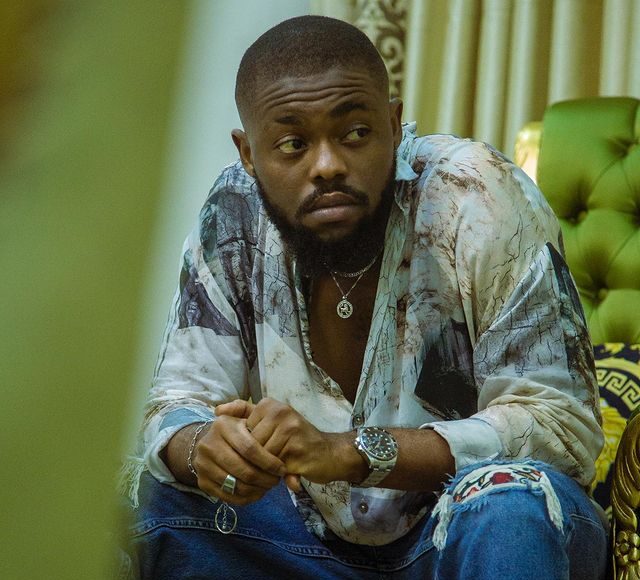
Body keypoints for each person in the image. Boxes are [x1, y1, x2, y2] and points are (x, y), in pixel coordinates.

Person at [122, 15, 607, 579]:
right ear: (249, 155)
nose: (328, 165)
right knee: (138, 503)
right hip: (302, 541)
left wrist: (349, 451)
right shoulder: (234, 213)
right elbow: (175, 402)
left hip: (460, 536)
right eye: (293, 144)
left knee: (510, 505)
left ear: (394, 125)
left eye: (355, 133)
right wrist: (204, 445)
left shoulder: (477, 194)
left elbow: (559, 428)